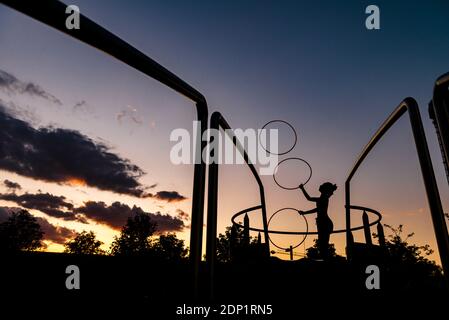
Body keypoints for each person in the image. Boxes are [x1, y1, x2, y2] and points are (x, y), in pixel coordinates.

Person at [298, 182, 337, 260]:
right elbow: (309, 198)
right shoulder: (321, 199)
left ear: (324, 190)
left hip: (324, 223)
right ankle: (324, 257)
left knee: (323, 243)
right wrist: (302, 189)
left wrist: (304, 212)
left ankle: (325, 258)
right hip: (322, 222)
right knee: (322, 243)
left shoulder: (324, 199)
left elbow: (317, 209)